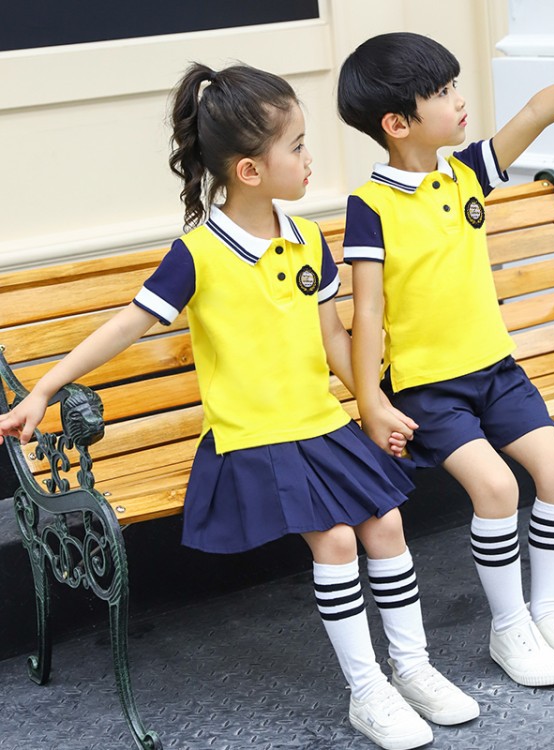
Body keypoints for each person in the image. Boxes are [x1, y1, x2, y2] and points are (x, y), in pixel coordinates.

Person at [0, 63, 479, 749]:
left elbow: (334, 339)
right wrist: (44, 389)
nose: (311, 159)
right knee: (338, 539)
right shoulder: (198, 253)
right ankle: (368, 690)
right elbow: (128, 324)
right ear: (250, 170)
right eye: (298, 146)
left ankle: (413, 669)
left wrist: (371, 404)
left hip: (321, 425)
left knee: (388, 524)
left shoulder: (307, 238)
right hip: (254, 437)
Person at [337, 16, 554, 688]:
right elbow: (367, 312)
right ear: (397, 123)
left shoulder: (465, 173)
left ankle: (548, 611)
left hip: (496, 371)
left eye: (454, 85)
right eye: (442, 92)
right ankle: (509, 625)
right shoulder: (370, 206)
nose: (459, 99)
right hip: (429, 389)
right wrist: (370, 401)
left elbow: (540, 109)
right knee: (495, 488)